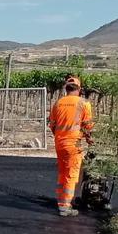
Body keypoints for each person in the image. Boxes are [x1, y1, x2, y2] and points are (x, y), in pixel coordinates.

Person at [48, 81, 94, 217]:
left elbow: (52, 125)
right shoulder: (83, 103)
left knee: (63, 172)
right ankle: (65, 206)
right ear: (79, 89)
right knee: (72, 173)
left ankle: (62, 200)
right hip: (73, 143)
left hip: (59, 143)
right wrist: (89, 139)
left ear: (66, 88)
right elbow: (87, 125)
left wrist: (60, 137)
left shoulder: (58, 103)